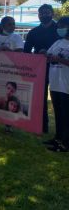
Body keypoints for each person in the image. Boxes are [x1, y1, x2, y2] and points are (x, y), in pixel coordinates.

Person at [23, 4, 59, 134]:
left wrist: (49, 53)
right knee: (40, 98)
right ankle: (43, 126)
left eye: (47, 12)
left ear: (52, 13)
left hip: (58, 69)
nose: (44, 15)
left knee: (58, 98)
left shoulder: (59, 30)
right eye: (41, 13)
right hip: (39, 69)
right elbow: (26, 51)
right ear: (38, 15)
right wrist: (37, 55)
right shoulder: (33, 32)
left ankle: (61, 130)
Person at [44, 16, 69, 152]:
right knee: (58, 114)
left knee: (67, 116)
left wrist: (58, 59)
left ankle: (66, 143)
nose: (60, 29)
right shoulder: (58, 42)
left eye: (62, 26)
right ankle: (58, 138)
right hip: (55, 84)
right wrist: (45, 55)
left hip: (67, 86)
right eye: (58, 26)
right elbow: (48, 56)